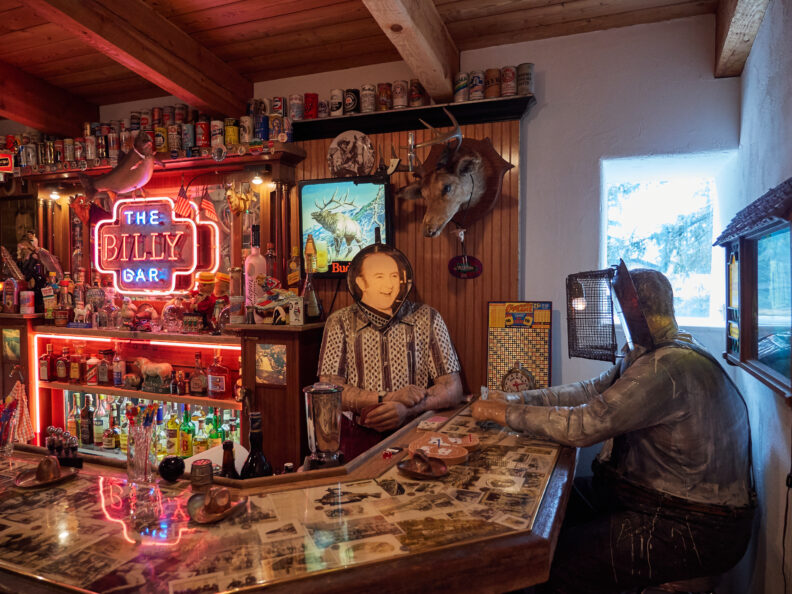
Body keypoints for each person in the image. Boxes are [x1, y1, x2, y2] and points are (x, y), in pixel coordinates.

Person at [472, 265, 755, 593]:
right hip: (652, 500)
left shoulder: (668, 366)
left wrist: (506, 413)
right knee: (543, 516)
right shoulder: (653, 354)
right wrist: (516, 397)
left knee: (554, 564)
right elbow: (591, 391)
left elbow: (585, 424)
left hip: (694, 527)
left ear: (640, 313)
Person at [318, 241, 464, 459]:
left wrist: (408, 410)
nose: (388, 284)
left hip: (415, 436)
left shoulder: (428, 317)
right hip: (357, 439)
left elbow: (453, 388)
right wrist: (387, 398)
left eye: (394, 276)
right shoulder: (339, 322)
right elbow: (328, 391)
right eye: (379, 277)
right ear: (360, 282)